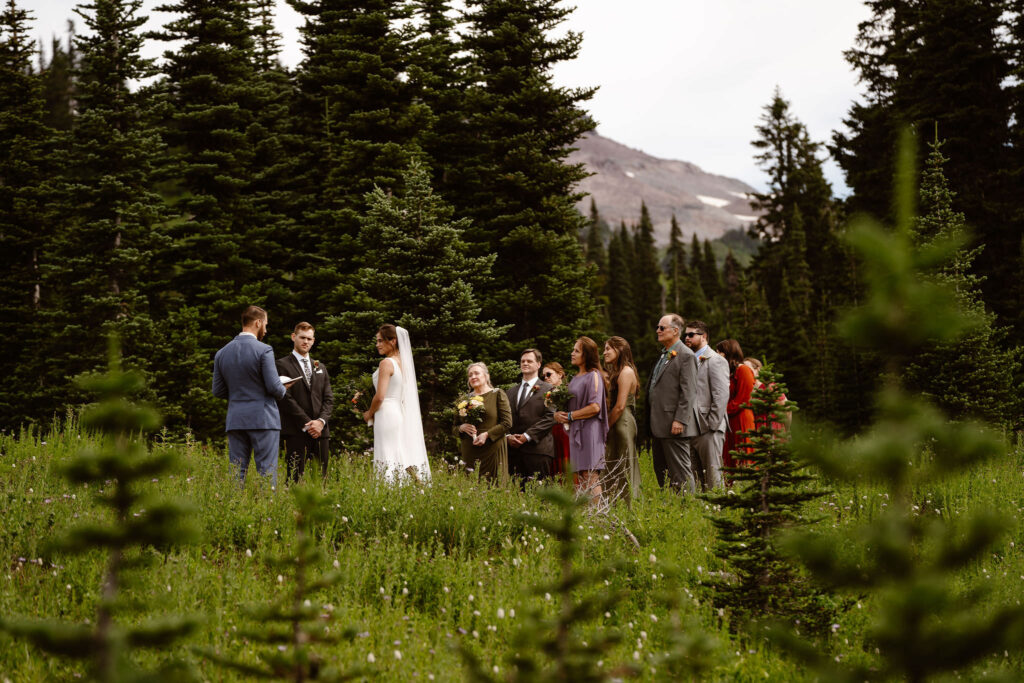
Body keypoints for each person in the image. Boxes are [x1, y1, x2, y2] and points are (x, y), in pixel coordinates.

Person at [212, 305, 289, 486]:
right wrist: (284, 386)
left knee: (236, 475)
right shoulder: (264, 350)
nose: (266, 329)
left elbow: (218, 391)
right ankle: (268, 511)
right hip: (263, 419)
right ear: (258, 322)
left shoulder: (221, 353)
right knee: (267, 475)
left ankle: (233, 510)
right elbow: (275, 388)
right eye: (266, 325)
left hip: (236, 419)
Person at [362, 324, 431, 483]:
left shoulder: (386, 363)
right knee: (399, 452)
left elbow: (380, 396)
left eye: (381, 341)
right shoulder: (404, 362)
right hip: (398, 411)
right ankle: (414, 486)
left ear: (393, 341)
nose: (377, 344)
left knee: (387, 454)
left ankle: (389, 490)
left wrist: (369, 413)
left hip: (386, 412)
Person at [646, 313, 699, 493]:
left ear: (675, 331)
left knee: (681, 472)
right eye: (658, 327)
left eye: (662, 328)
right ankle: (671, 506)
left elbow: (689, 391)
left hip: (673, 424)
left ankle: (688, 507)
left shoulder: (686, 355)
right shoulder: (664, 355)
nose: (658, 331)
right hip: (659, 423)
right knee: (662, 470)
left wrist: (681, 419)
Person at [276, 322, 334, 483]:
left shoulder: (320, 366)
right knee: (294, 478)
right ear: (293, 337)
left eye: (309, 338)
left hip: (321, 432)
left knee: (321, 480)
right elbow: (285, 398)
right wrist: (308, 423)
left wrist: (321, 422)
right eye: (302, 337)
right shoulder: (282, 364)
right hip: (296, 430)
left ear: (313, 340)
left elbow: (328, 399)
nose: (305, 342)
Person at [554, 336, 608, 503]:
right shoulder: (575, 378)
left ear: (587, 355)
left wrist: (571, 416)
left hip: (590, 431)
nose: (572, 353)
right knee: (580, 475)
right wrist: (558, 414)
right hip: (576, 431)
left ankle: (599, 516)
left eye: (576, 351)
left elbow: (595, 407)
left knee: (590, 474)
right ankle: (586, 517)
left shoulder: (594, 375)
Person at [683, 320, 728, 490]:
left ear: (704, 336)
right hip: (690, 427)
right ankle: (700, 512)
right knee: (694, 476)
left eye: (691, 334)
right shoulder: (687, 359)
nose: (686, 338)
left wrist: (712, 424)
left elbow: (721, 394)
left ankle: (718, 510)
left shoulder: (715, 360)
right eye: (685, 335)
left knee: (713, 475)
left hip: (709, 428)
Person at [454, 362, 512, 485]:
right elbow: (454, 427)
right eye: (470, 375)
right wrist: (462, 428)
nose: (473, 377)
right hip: (470, 451)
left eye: (477, 373)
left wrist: (487, 434)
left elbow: (507, 422)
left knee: (495, 487)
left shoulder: (497, 394)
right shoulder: (464, 400)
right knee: (472, 490)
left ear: (486, 376)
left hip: (492, 448)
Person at [505, 349, 556, 485]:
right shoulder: (510, 392)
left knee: (539, 496)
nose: (525, 363)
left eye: (529, 361)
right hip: (514, 452)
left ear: (538, 364)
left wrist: (527, 436)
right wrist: (508, 437)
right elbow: (503, 419)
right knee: (515, 494)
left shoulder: (548, 389)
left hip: (538, 450)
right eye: (522, 361)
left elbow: (550, 416)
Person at [601, 336, 640, 505]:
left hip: (622, 422)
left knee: (624, 464)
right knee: (611, 462)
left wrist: (604, 428)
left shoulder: (626, 372)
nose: (604, 352)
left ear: (620, 350)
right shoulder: (614, 372)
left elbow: (620, 406)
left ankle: (629, 505)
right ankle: (612, 504)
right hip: (614, 422)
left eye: (608, 348)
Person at [716, 339, 755, 470]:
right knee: (729, 454)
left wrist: (721, 410)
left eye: (719, 352)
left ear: (728, 353)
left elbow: (743, 399)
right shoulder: (728, 371)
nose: (717, 354)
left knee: (742, 452)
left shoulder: (743, 370)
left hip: (741, 417)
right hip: (729, 418)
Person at [744, 357, 791, 432]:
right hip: (755, 435)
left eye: (748, 369)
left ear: (758, 370)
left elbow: (787, 408)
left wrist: (787, 430)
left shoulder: (769, 387)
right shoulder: (744, 392)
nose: (745, 372)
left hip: (773, 433)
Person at [542, 362, 571, 476]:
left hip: (566, 432)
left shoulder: (569, 389)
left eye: (548, 374)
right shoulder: (546, 393)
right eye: (543, 376)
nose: (546, 378)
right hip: (551, 432)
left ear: (560, 374)